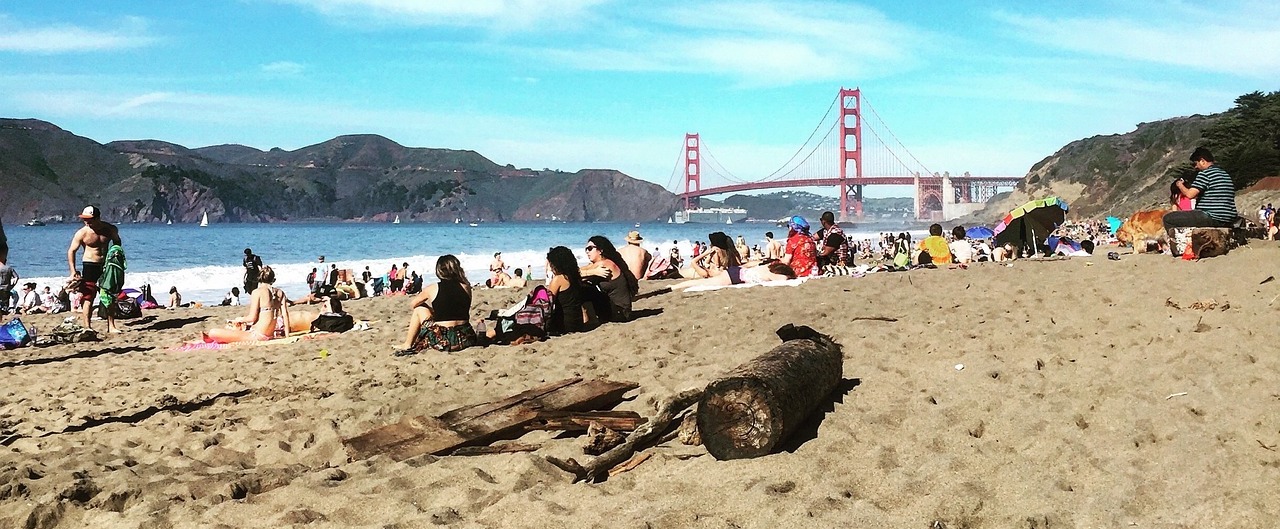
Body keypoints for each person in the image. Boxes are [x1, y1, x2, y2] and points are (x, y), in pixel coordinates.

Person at [394, 254, 477, 355]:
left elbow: (413, 304)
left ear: (439, 271)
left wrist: (430, 309)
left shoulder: (433, 288)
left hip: (443, 340)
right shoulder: (466, 287)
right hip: (466, 339)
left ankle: (407, 344)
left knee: (419, 309)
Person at [204, 266, 312, 343]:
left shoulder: (257, 292)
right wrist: (287, 336)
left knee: (214, 332)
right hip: (268, 333)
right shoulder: (280, 292)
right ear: (273, 279)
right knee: (236, 326)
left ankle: (212, 337)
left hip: (258, 334)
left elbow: (252, 317)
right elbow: (285, 316)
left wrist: (239, 319)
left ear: (259, 278)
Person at [1163, 147, 1240, 247]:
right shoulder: (1224, 174)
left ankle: (1180, 246)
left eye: (1196, 163)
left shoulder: (1205, 174)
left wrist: (1180, 185)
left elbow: (1190, 195)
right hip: (1229, 216)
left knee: (1168, 218)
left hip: (1211, 216)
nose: (1195, 167)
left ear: (1202, 161)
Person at [67, 206, 122, 333]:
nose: (86, 222)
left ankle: (111, 326)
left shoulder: (110, 229)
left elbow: (117, 243)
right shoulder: (82, 233)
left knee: (109, 296)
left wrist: (116, 259)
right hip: (90, 265)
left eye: (89, 219)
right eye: (84, 219)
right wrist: (73, 271)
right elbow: (71, 251)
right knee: (88, 296)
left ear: (97, 218)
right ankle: (87, 326)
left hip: (106, 265)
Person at [580, 235, 638, 323]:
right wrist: (594, 272)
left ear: (600, 250)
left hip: (619, 313)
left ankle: (588, 320)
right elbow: (577, 271)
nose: (587, 252)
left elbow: (574, 273)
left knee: (583, 288)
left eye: (590, 248)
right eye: (586, 249)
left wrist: (592, 272)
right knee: (583, 284)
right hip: (621, 311)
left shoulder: (605, 264)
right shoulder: (601, 264)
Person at [671, 262, 797, 290]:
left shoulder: (769, 266)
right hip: (734, 278)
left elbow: (751, 264)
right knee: (701, 283)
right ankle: (674, 287)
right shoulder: (774, 275)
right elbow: (784, 280)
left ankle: (675, 286)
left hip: (736, 271)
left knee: (703, 282)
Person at [545, 246, 584, 335]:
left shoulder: (558, 279)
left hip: (564, 324)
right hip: (577, 322)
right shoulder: (575, 278)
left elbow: (547, 303)